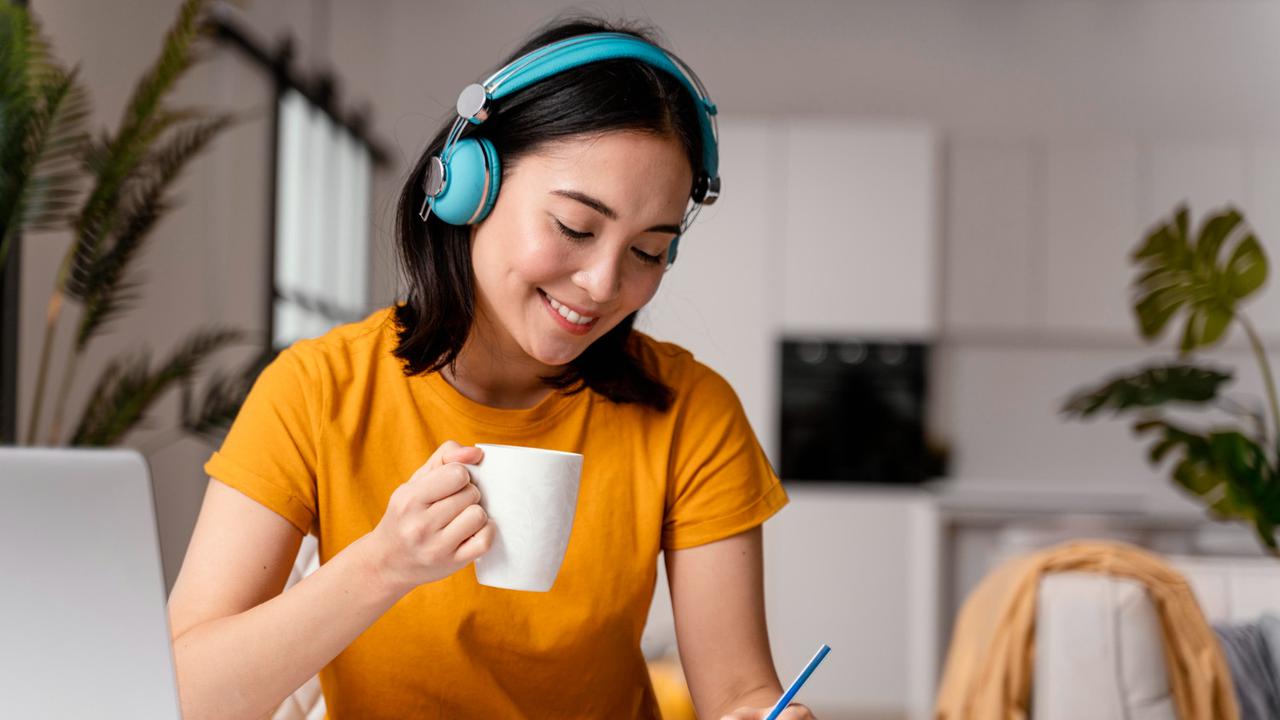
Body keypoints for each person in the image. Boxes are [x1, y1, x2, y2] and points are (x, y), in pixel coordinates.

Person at [167, 15, 812, 720]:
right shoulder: (317, 391)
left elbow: (739, 692)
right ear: (470, 185)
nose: (602, 284)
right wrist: (385, 563)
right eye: (574, 227)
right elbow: (184, 697)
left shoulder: (690, 409)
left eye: (648, 251)